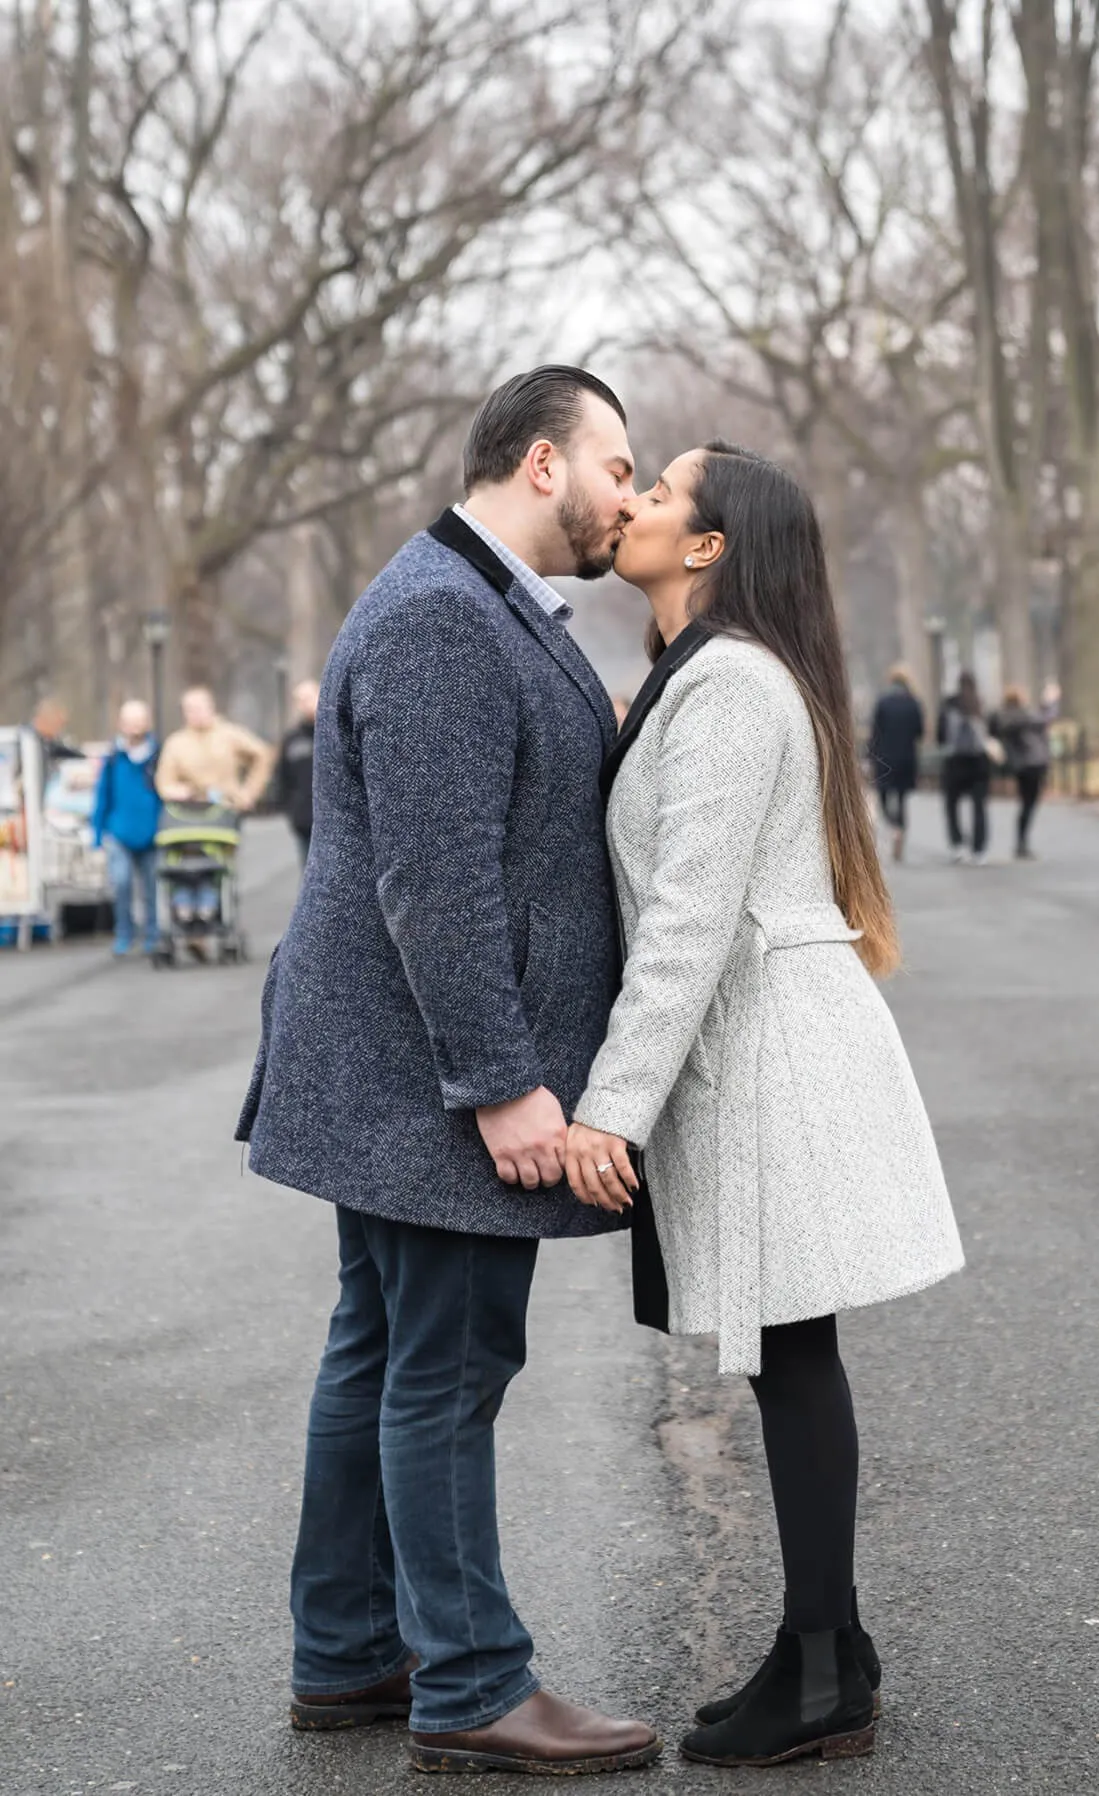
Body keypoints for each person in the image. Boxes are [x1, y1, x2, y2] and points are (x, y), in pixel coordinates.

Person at [235, 367, 661, 1774]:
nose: (627, 495)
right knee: (448, 1366)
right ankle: (472, 1682)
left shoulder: (475, 601)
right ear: (542, 463)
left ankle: (350, 1650)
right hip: (426, 1079)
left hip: (392, 1066)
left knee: (381, 1351)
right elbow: (437, 879)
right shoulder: (440, 617)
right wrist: (501, 1082)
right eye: (617, 465)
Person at [563, 442, 964, 1769]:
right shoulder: (707, 671)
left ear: (710, 545)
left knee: (792, 1348)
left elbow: (689, 919)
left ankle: (822, 1666)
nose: (634, 503)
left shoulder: (730, 683)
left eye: (660, 493)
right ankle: (826, 1650)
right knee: (792, 1347)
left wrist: (612, 1110)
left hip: (770, 1047)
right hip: (764, 1037)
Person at [156, 688, 273, 923]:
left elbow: (262, 754)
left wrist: (249, 792)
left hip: (222, 814)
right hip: (186, 817)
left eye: (199, 708)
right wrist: (176, 790)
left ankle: (212, 905)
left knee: (217, 864)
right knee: (182, 862)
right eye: (190, 710)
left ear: (211, 708)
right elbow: (164, 781)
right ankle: (185, 906)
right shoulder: (176, 743)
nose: (195, 714)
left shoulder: (229, 735)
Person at [91, 700, 161, 957]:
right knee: (121, 883)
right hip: (118, 833)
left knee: (150, 888)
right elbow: (102, 797)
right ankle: (124, 932)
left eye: (139, 720)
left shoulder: (157, 755)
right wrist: (97, 834)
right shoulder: (112, 758)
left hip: (152, 834)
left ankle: (153, 933)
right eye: (130, 721)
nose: (134, 726)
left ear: (148, 722)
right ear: (121, 724)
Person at [991, 682, 1059, 860]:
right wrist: (1050, 701)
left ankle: (1021, 842)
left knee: (1026, 803)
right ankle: (1021, 843)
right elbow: (1044, 718)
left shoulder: (1006, 717)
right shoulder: (1022, 716)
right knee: (1029, 804)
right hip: (1033, 763)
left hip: (1021, 764)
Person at [867, 665, 925, 862]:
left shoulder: (883, 702)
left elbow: (875, 732)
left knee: (883, 796)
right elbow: (920, 731)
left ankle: (893, 825)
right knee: (901, 798)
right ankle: (900, 829)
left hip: (885, 757)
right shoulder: (914, 703)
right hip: (907, 757)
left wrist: (870, 756)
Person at [937, 670, 994, 864]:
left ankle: (957, 844)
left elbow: (940, 734)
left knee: (952, 805)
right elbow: (992, 731)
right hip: (979, 761)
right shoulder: (980, 704)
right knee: (979, 807)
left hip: (955, 761)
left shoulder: (949, 704)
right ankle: (979, 849)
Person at [271, 679, 319, 866]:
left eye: (309, 698)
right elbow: (282, 776)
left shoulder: (334, 732)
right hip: (304, 818)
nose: (305, 704)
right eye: (300, 700)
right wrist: (290, 808)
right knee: (308, 867)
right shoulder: (292, 740)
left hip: (335, 816)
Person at [31, 697, 85, 795]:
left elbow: (69, 753)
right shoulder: (30, 743)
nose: (59, 728)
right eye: (57, 723)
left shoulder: (50, 743)